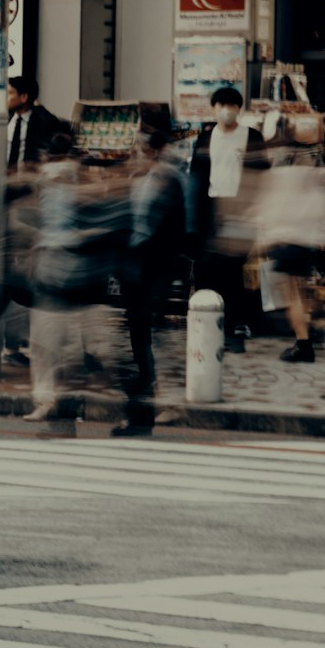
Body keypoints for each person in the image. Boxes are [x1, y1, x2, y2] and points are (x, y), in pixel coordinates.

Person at [117, 114, 197, 435]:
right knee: (141, 332)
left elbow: (172, 227)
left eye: (144, 140)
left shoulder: (170, 177)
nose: (140, 146)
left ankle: (165, 400)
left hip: (156, 265)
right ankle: (150, 398)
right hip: (140, 265)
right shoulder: (146, 175)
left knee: (152, 332)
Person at [24, 156, 114, 422]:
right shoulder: (69, 199)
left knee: (54, 345)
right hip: (59, 282)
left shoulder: (76, 201)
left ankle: (53, 399)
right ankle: (51, 399)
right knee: (49, 344)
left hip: (64, 282)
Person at [254, 140, 325, 364]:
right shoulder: (312, 177)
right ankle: (312, 330)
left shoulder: (277, 178)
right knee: (305, 293)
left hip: (286, 242)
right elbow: (324, 208)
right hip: (306, 243)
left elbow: (267, 210)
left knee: (292, 297)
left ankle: (303, 344)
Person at [190, 84, 269, 351]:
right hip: (211, 210)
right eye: (221, 105)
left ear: (239, 109)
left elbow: (262, 175)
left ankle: (237, 327)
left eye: (231, 105)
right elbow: (196, 177)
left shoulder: (252, 137)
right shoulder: (204, 138)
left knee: (236, 271)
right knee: (209, 271)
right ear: (213, 109)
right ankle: (210, 326)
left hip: (241, 210)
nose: (225, 111)